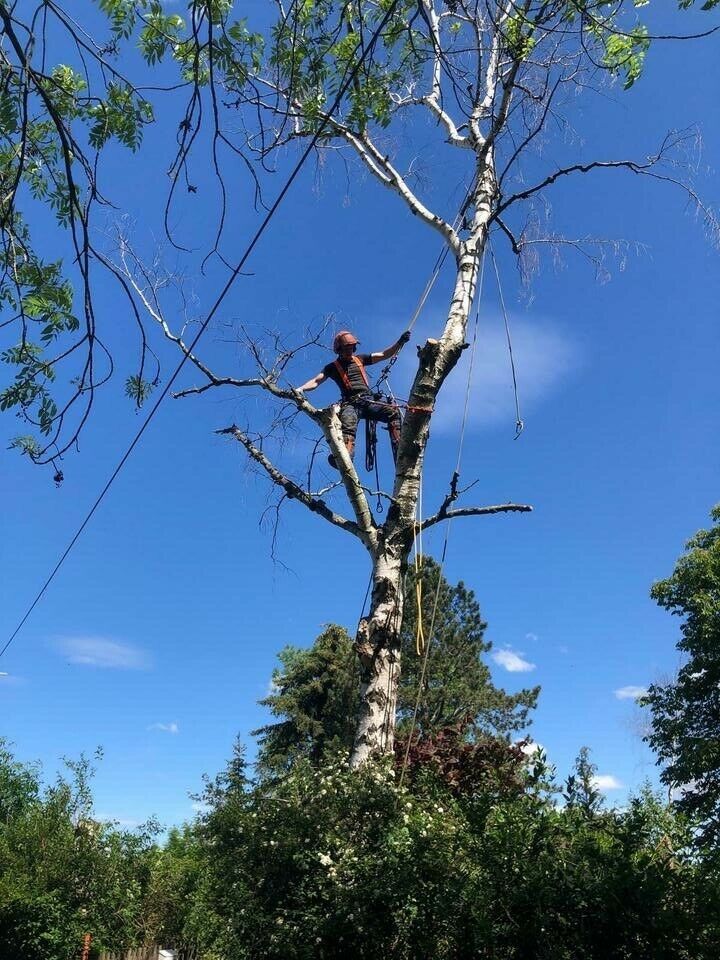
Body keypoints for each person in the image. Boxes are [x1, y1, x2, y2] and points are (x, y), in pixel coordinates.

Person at [297, 329, 410, 469]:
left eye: (352, 347)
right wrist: (300, 389)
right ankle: (345, 457)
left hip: (368, 400)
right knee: (348, 425)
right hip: (350, 403)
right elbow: (316, 381)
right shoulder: (332, 367)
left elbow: (383, 354)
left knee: (393, 412)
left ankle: (401, 448)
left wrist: (400, 342)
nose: (350, 350)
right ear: (339, 349)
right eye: (347, 347)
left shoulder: (360, 359)